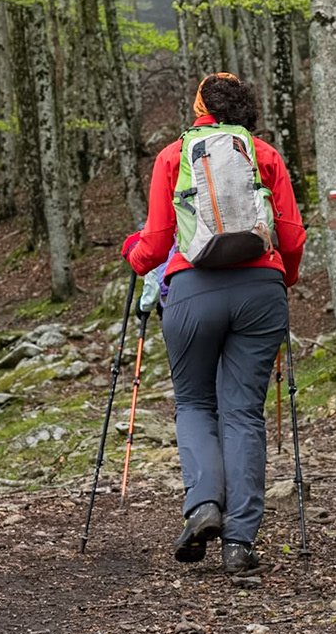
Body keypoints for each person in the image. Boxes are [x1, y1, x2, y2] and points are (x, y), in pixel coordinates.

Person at [121, 73, 306, 575]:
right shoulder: (264, 155)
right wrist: (280, 278)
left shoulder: (172, 156)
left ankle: (204, 506)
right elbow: (291, 236)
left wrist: (133, 255)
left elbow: (155, 245)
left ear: (200, 109)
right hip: (261, 291)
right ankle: (239, 544)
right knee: (243, 413)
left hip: (193, 290)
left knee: (194, 404)